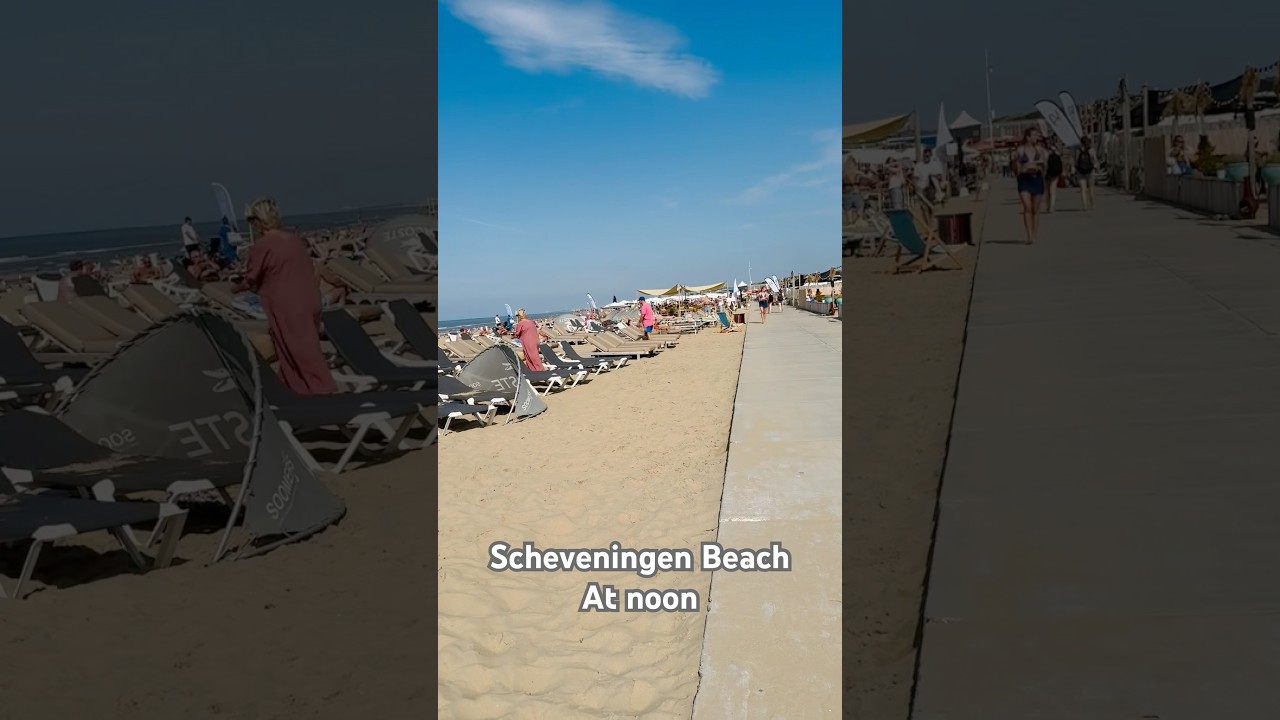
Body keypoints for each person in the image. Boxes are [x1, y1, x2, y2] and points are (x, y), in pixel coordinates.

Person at [231, 197, 336, 395]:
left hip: (288, 305)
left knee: (299, 352)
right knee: (299, 350)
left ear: (257, 222)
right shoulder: (294, 239)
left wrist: (235, 288)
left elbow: (252, 279)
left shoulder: (262, 246)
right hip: (310, 299)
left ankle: (323, 392)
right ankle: (295, 392)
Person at [1014, 128, 1048, 244]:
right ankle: (1029, 235)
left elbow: (1044, 166)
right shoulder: (1020, 150)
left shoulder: (1039, 150)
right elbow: (1016, 168)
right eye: (1034, 135)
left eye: (1037, 136)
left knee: (1035, 209)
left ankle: (1034, 234)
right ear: (1028, 137)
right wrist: (1022, 169)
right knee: (1027, 208)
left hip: (1037, 179)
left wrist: (1038, 166)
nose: (1036, 138)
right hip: (1024, 180)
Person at [1076, 136, 1097, 210]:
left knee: (1083, 189)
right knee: (1091, 188)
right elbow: (1094, 160)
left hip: (1080, 171)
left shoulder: (1078, 150)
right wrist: (1096, 168)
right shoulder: (1091, 150)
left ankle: (1084, 206)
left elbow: (1076, 160)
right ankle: (1093, 204)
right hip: (1090, 171)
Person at [1044, 142, 1063, 213]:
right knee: (1053, 191)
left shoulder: (1046, 153)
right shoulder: (1058, 153)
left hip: (1047, 173)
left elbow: (1044, 164)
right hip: (1055, 173)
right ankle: (1052, 207)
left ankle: (1048, 206)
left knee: (1047, 191)